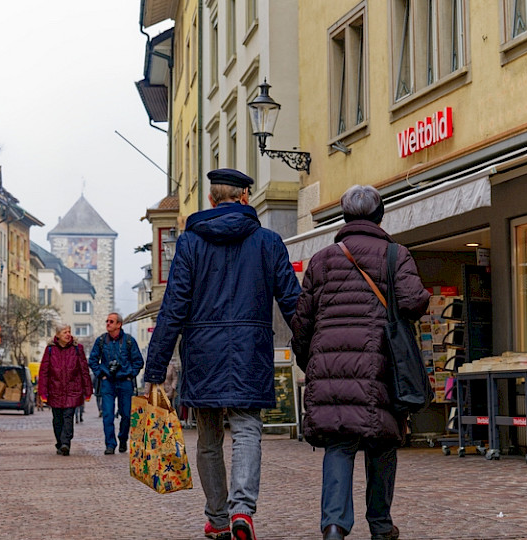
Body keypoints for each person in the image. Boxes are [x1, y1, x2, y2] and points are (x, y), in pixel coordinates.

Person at [143, 168, 301, 540]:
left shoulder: (190, 243)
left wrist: (155, 366)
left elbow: (174, 306)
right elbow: (294, 302)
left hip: (203, 353)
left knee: (210, 437)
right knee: (248, 429)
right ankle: (242, 510)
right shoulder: (269, 241)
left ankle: (217, 517)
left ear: (211, 200)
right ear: (245, 198)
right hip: (250, 352)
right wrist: (312, 348)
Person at [290, 185, 430, 540]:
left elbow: (302, 322)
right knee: (382, 441)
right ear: (380, 216)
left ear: (345, 217)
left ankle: (334, 525)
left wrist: (313, 363)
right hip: (379, 364)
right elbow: (414, 303)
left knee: (339, 443)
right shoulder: (396, 255)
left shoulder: (321, 260)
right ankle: (381, 525)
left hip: (330, 365)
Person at [88, 312, 144, 455]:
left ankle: (123, 438)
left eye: (111, 321)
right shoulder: (101, 341)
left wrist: (130, 374)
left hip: (125, 382)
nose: (108, 324)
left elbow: (138, 361)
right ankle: (110, 444)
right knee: (107, 414)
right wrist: (101, 374)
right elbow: (93, 360)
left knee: (126, 415)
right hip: (108, 382)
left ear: (119, 324)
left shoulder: (129, 341)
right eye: (107, 321)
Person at [37, 324, 92, 456]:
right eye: (64, 332)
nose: (68, 334)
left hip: (73, 390)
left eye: (69, 332)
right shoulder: (50, 350)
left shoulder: (77, 349)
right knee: (57, 419)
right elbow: (44, 372)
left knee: (68, 417)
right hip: (55, 390)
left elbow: (84, 371)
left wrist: (88, 390)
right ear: (57, 335)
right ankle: (59, 443)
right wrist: (42, 392)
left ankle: (66, 443)